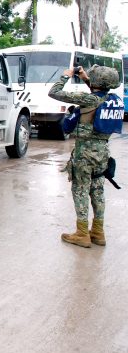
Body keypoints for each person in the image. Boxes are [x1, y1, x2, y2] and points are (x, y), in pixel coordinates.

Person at [48, 65, 122, 248]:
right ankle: (98, 232)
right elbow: (98, 94)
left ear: (96, 81)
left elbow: (54, 92)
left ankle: (82, 233)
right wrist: (86, 78)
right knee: (97, 191)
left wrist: (66, 76)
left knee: (80, 190)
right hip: (103, 153)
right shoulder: (114, 99)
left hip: (85, 154)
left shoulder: (87, 99)